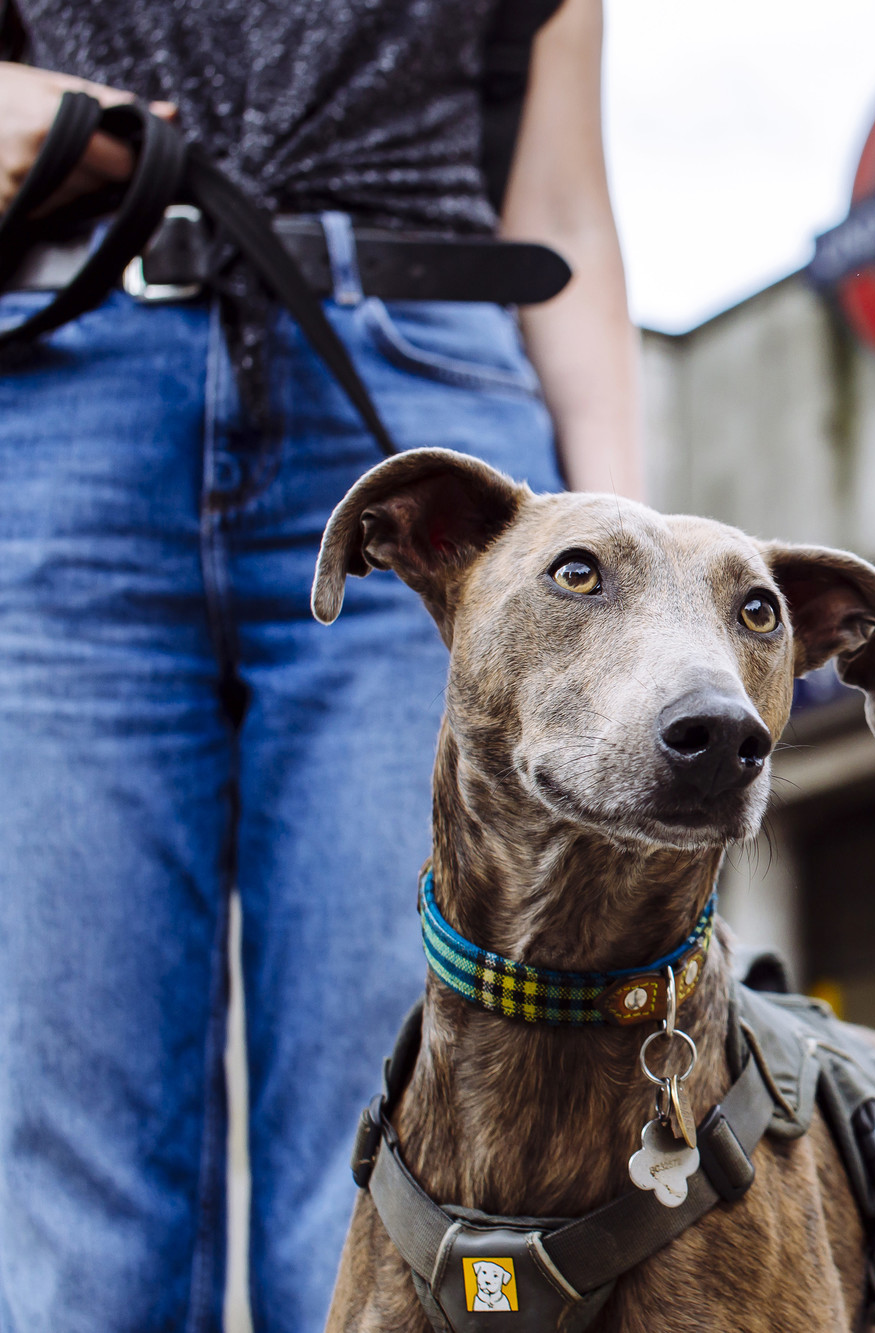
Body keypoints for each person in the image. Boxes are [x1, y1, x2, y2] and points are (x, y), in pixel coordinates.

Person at [0, 1, 641, 1330]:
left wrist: (622, 574)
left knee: (408, 1120)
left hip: (424, 413)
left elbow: (566, 208)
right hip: (63, 381)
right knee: (64, 1140)